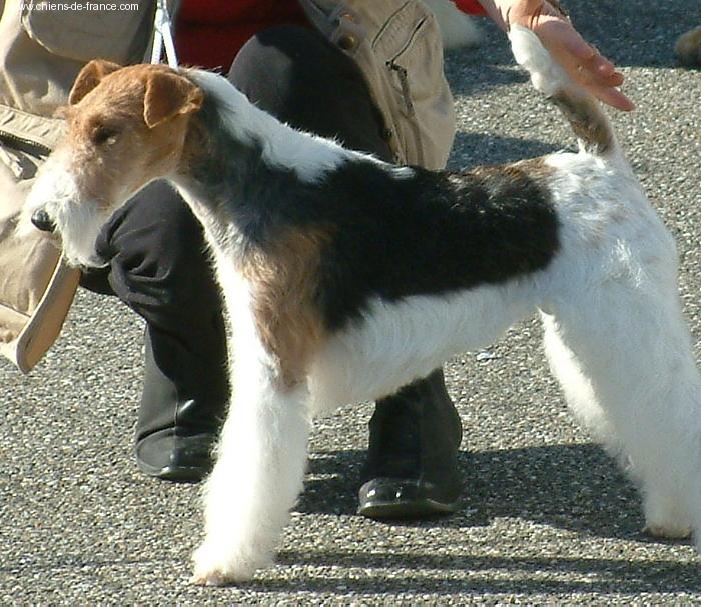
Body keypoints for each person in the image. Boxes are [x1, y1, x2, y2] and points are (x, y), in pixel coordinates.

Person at [0, 0, 631, 519]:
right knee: (160, 248)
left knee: (283, 61)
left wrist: (525, 8)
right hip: (142, 112)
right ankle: (190, 359)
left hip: (330, 84)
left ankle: (410, 386)